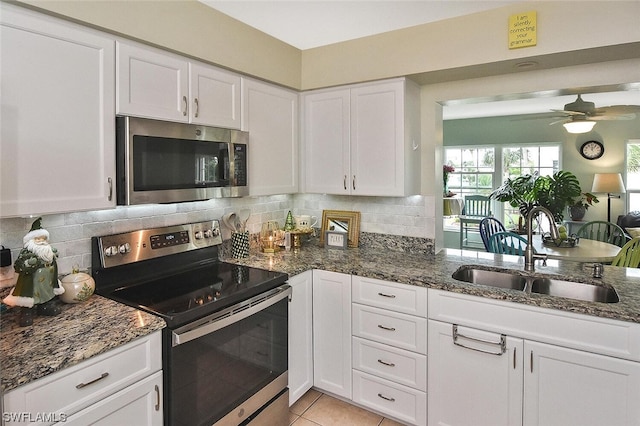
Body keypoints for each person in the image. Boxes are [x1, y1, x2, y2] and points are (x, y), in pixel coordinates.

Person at [3, 217, 65, 326]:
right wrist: (28, 264)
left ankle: (44, 307)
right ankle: (26, 312)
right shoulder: (26, 252)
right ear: (31, 241)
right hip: (32, 282)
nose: (41, 241)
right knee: (30, 296)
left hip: (47, 282)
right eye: (38, 239)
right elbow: (18, 266)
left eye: (43, 238)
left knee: (46, 293)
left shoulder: (48, 251)